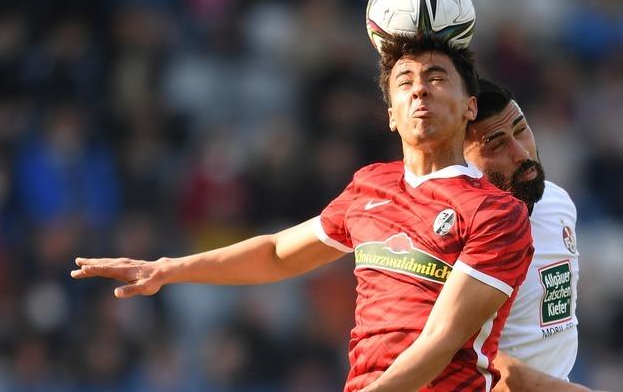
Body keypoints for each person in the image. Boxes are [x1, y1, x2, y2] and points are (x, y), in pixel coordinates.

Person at [71, 34, 534, 392]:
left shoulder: (498, 214)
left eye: (436, 77)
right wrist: (168, 269)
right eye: (404, 82)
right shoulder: (371, 185)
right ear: (390, 113)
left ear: (470, 106)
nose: (419, 91)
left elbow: (443, 338)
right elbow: (277, 253)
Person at [464, 78, 589, 392]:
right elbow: (466, 355)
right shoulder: (460, 237)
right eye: (497, 144)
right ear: (462, 162)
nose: (520, 152)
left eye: (520, 130)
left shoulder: (558, 202)